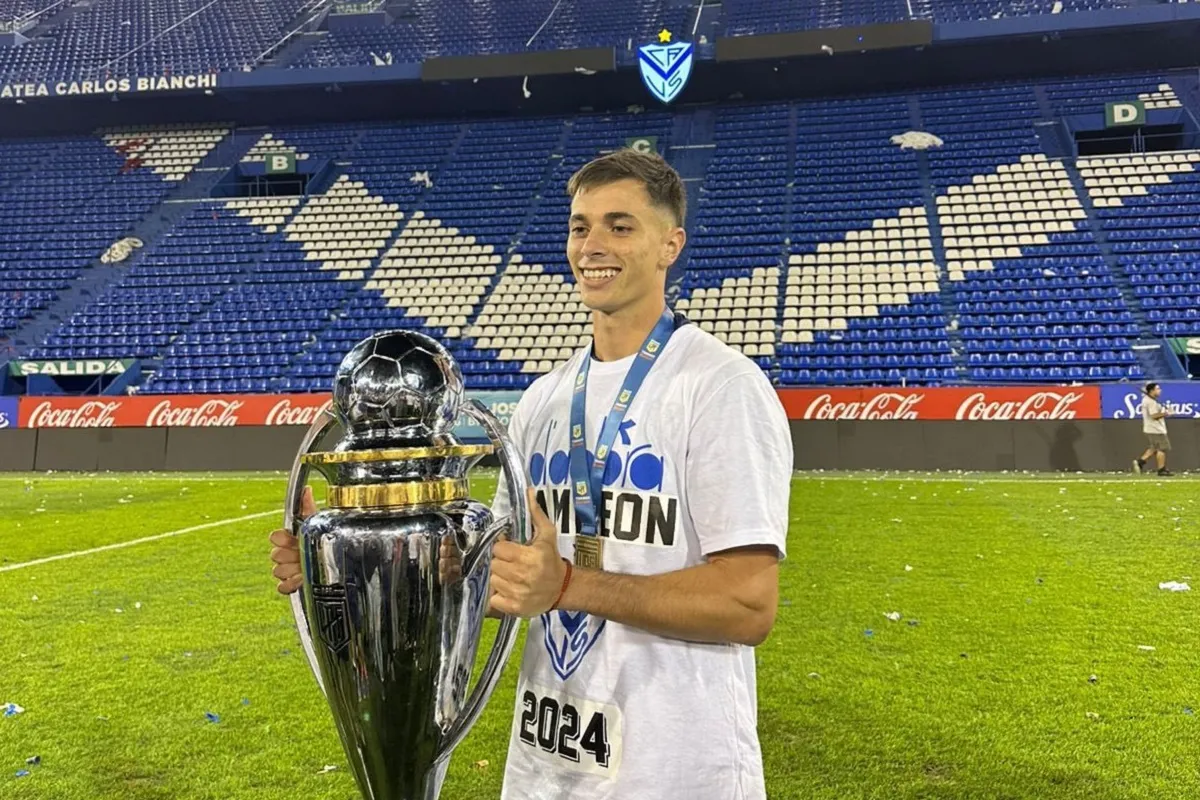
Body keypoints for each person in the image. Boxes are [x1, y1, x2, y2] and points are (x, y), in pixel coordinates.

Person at [269, 149, 793, 800]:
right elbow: (496, 586)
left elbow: (747, 604)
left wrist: (569, 584)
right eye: (580, 227)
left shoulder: (719, 388)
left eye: (620, 226)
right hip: (544, 772)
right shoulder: (544, 400)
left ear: (670, 245)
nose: (592, 245)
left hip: (672, 775)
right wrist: (344, 571)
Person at [1133, 381, 1172, 476]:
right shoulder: (1150, 402)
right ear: (1152, 390)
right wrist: (1167, 413)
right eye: (1158, 389)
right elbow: (1154, 416)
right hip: (1155, 429)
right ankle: (1161, 469)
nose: (1160, 390)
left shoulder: (1149, 400)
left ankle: (1140, 462)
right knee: (1162, 448)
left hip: (1152, 428)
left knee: (1154, 448)